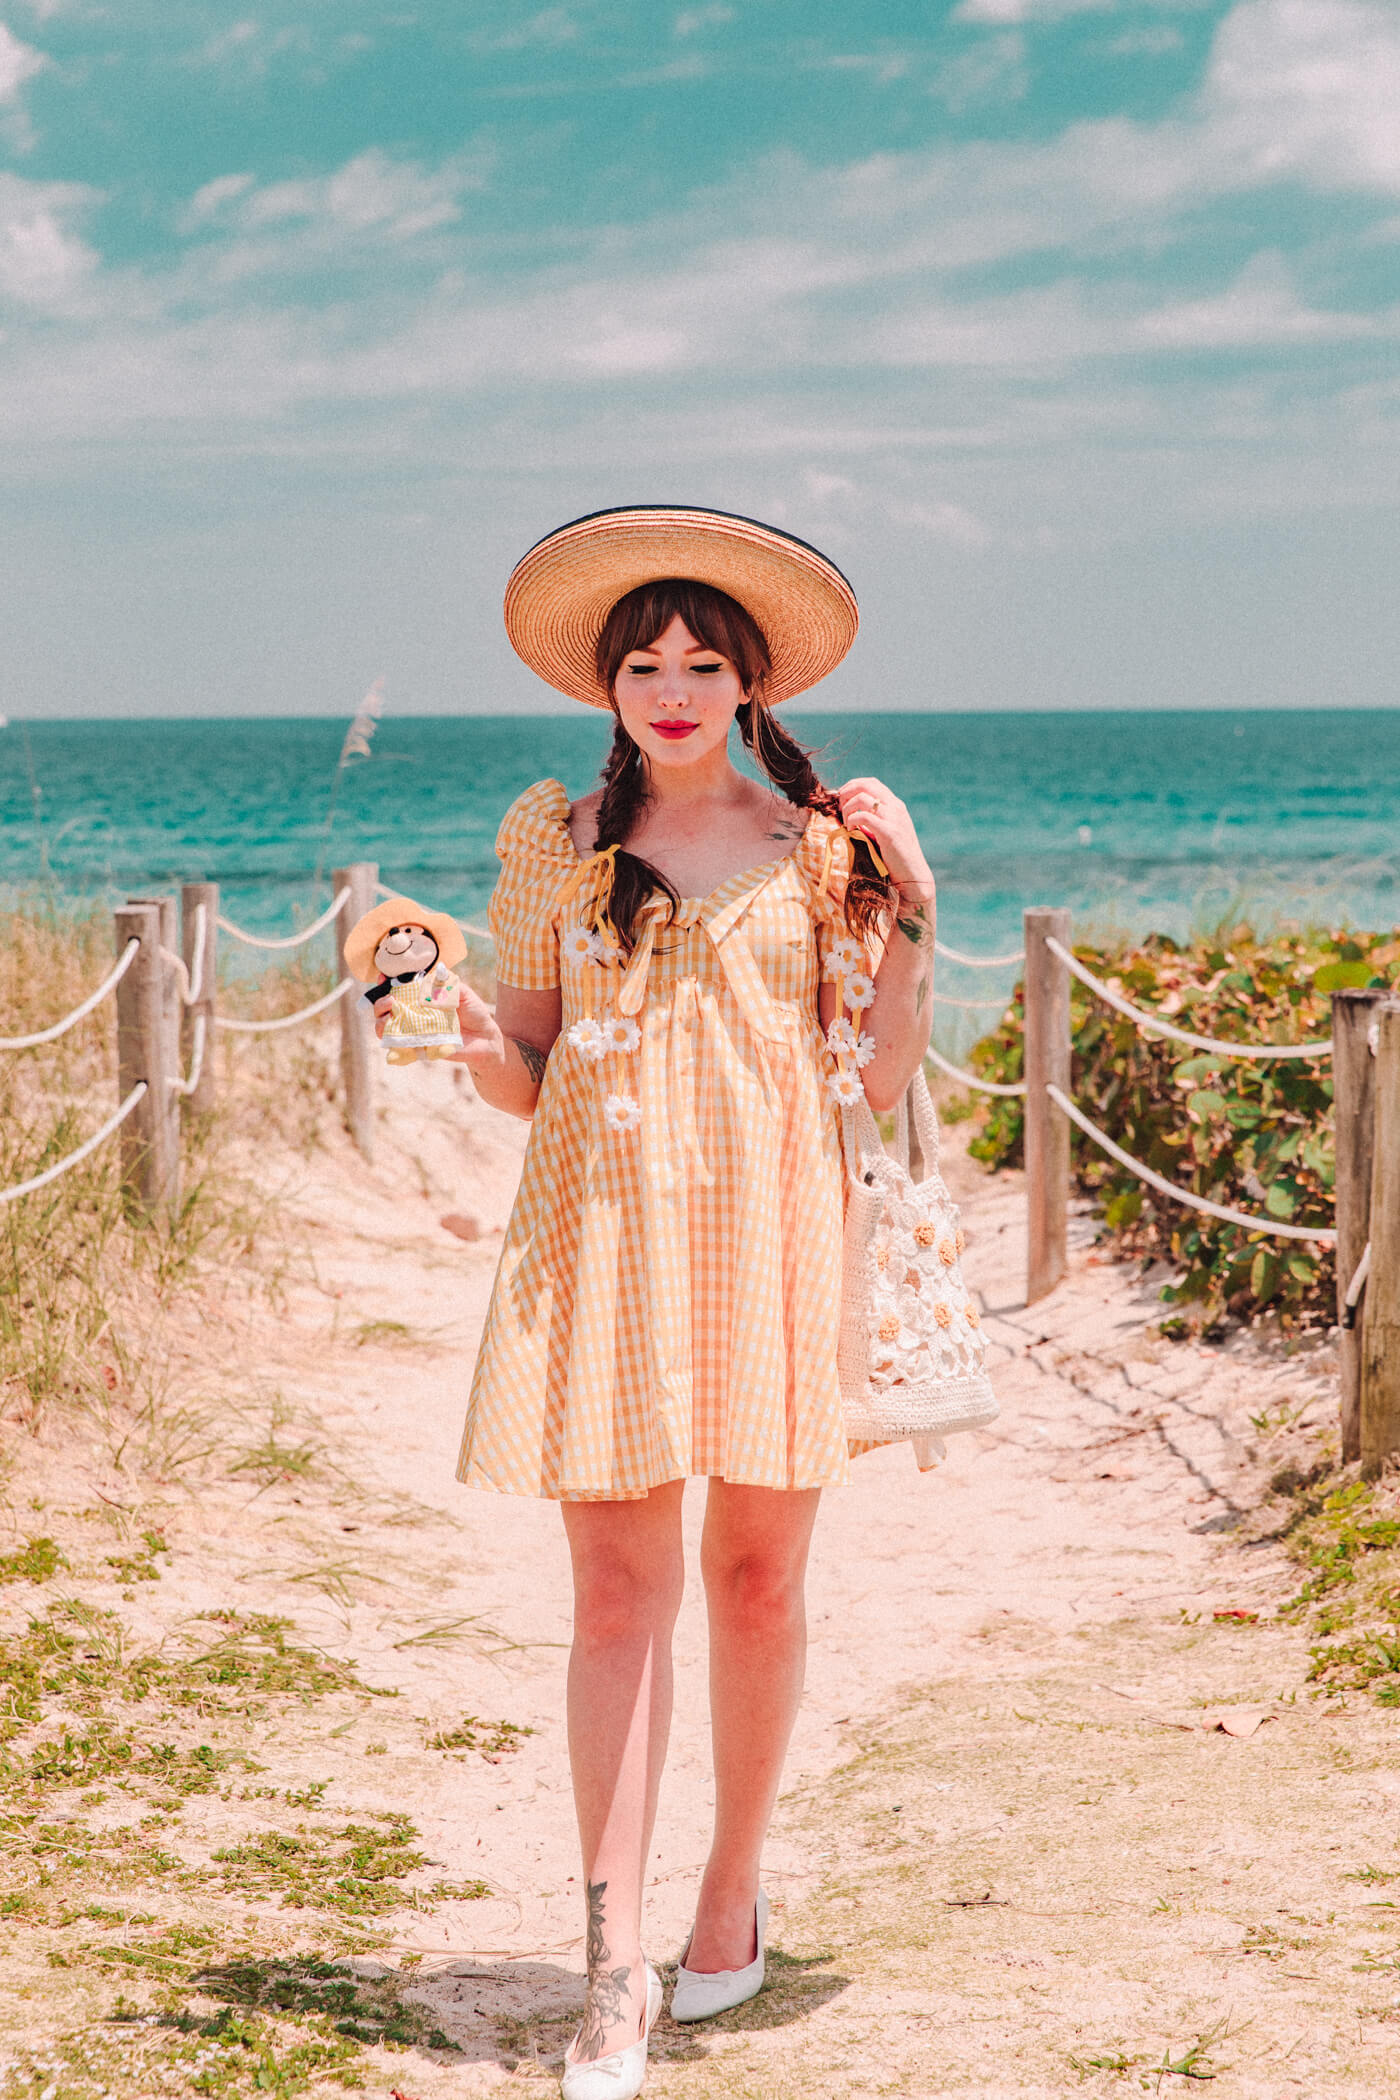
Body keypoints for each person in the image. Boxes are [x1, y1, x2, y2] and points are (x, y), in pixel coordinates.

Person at [405, 507, 936, 2100]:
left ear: (751, 681)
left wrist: (915, 903)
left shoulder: (822, 849)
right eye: (645, 663)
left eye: (706, 660)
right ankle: (610, 1971)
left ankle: (729, 1897)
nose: (675, 687)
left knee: (760, 1583)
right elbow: (526, 1072)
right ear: (611, 686)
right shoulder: (552, 843)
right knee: (618, 1600)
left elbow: (885, 1075)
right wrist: (435, 1013)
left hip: (774, 1234)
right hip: (604, 1239)